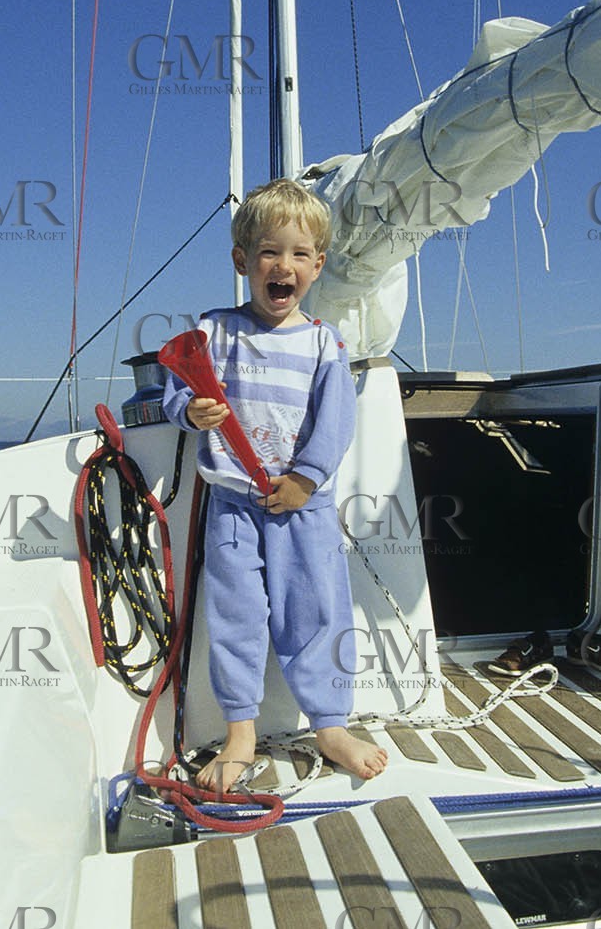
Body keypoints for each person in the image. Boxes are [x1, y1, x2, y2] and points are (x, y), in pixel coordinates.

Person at [162, 178, 388, 793]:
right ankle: (240, 731)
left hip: (302, 509)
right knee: (236, 616)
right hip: (234, 506)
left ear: (317, 265)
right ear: (242, 261)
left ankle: (330, 723)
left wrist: (305, 480)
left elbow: (336, 421)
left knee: (315, 612)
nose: (281, 266)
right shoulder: (215, 332)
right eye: (268, 252)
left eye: (297, 254)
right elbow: (179, 391)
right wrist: (192, 412)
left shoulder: (324, 344)